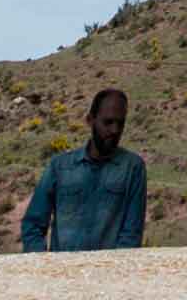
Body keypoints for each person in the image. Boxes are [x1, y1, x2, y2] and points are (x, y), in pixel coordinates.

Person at [16, 90, 146, 253]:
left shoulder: (132, 168)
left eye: (121, 123)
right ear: (90, 120)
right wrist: (42, 264)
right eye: (108, 122)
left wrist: (114, 273)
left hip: (107, 274)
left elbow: (131, 235)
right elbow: (33, 225)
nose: (115, 130)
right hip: (61, 273)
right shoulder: (60, 166)